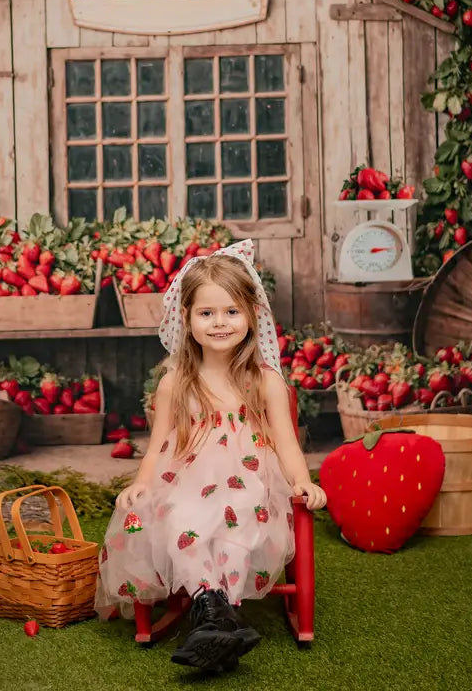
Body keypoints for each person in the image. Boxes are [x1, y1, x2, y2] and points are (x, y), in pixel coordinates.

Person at [94, 239, 326, 673]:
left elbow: (286, 443)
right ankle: (214, 610)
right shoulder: (175, 382)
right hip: (185, 482)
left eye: (231, 312)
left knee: (241, 517)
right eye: (207, 313)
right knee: (180, 518)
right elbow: (158, 446)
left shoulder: (265, 382)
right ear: (186, 318)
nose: (220, 323)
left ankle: (217, 614)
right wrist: (142, 483)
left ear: (252, 316)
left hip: (250, 483)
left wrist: (302, 481)